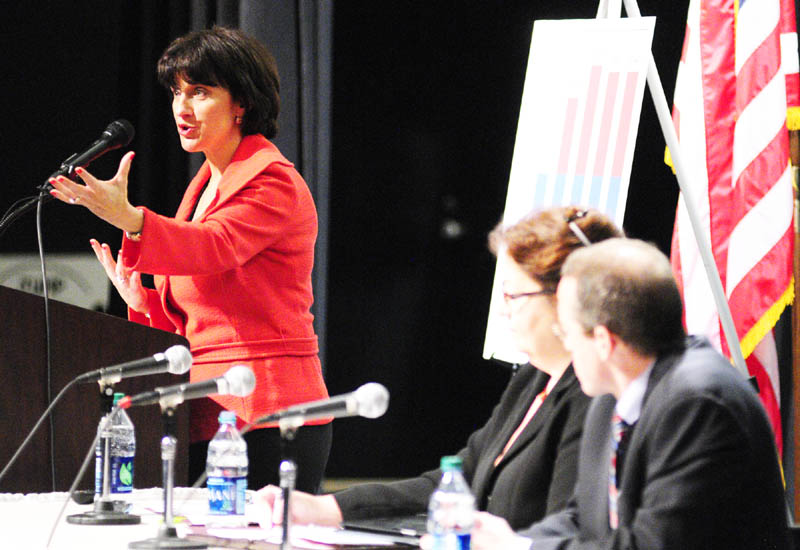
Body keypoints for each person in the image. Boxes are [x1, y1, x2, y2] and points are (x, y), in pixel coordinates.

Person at [47, 26, 331, 492]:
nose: (181, 107)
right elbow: (196, 318)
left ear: (242, 102)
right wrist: (143, 302)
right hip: (207, 410)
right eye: (177, 92)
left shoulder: (272, 181)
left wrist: (133, 220)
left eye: (199, 92)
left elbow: (214, 247)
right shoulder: (203, 185)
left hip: (270, 411)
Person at [256, 206, 623, 530]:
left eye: (514, 295)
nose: (502, 310)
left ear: (564, 298)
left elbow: (568, 529)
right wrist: (324, 507)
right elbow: (451, 481)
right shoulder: (532, 377)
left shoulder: (593, 395)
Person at [470, 238, 790, 550]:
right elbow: (583, 520)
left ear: (604, 341)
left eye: (566, 333)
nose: (566, 346)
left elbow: (654, 544)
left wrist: (518, 547)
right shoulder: (613, 397)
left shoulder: (697, 403)